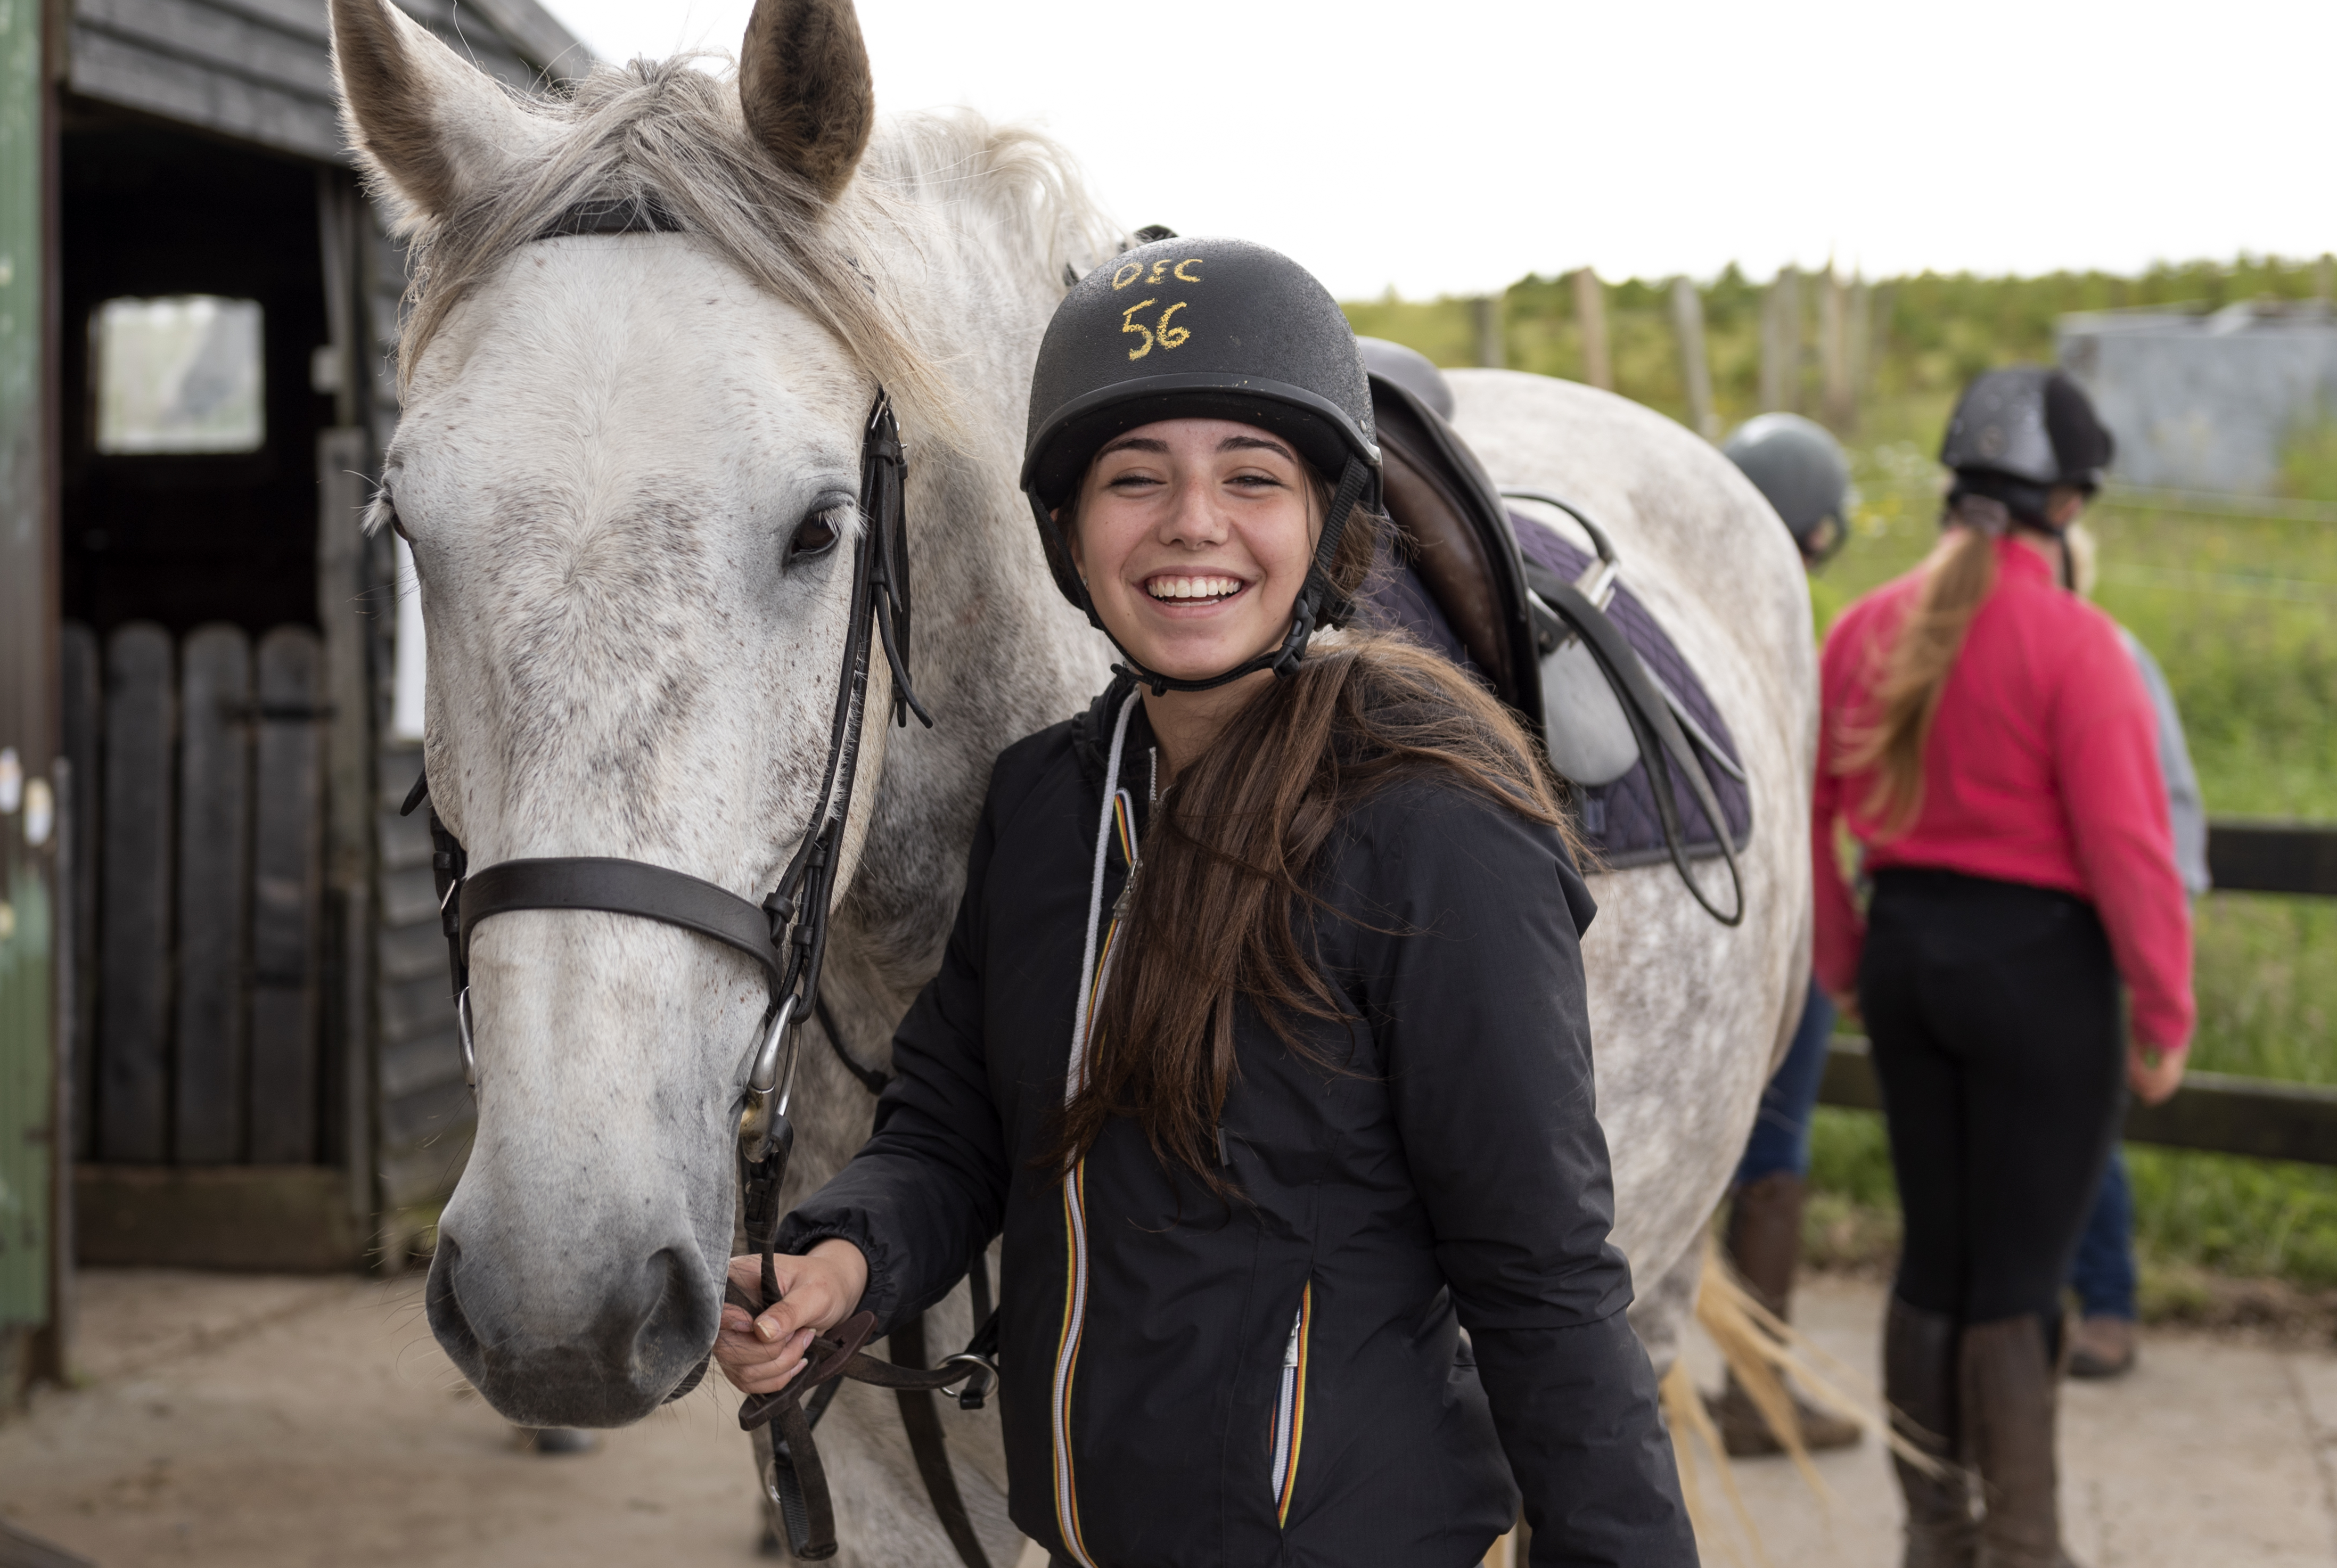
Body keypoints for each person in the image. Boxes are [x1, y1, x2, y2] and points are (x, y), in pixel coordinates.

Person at [714, 240, 1696, 1566]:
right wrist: (844, 1259)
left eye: (1250, 476)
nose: (1191, 521)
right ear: (1068, 532)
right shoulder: (1048, 802)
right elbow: (952, 1126)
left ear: (1321, 519)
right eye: (1135, 478)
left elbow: (1546, 1281)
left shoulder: (1436, 829)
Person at [1812, 367, 2194, 1568]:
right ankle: (2023, 1546)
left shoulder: (1864, 628)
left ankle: (1938, 1537)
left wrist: (1847, 962)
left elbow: (1811, 807)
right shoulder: (2080, 646)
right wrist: (2165, 1005)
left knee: (1934, 1254)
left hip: (1911, 962)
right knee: (2020, 1272)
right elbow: (2129, 847)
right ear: (2068, 505)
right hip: (2042, 979)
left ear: (1951, 488)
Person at [1709, 412, 1864, 1456]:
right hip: (1786, 918)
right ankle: (1760, 1390)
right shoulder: (1795, 624)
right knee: (1775, 1145)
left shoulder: (1676, 608)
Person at [2057, 522, 2212, 1382]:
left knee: (2089, 1123)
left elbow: (2169, 803)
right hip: (2023, 935)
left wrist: (2161, 932)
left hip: (2093, 931)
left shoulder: (2116, 656)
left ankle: (2108, 1299)